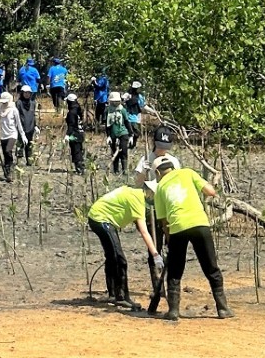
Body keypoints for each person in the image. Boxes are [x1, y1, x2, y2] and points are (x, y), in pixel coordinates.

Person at [153, 155, 234, 320]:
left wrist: (169, 240)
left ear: (158, 172)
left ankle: (174, 310)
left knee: (175, 270)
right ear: (174, 167)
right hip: (199, 224)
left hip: (177, 228)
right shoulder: (188, 173)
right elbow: (211, 192)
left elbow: (163, 221)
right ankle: (223, 308)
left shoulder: (160, 188)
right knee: (211, 266)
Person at [87, 181, 161, 309]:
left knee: (112, 257)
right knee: (120, 259)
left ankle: (112, 295)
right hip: (101, 219)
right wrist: (155, 254)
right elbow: (144, 232)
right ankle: (121, 297)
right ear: (150, 192)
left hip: (98, 217)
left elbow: (139, 226)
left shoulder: (133, 192)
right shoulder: (138, 201)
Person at [134, 125, 181, 302]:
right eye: (160, 145)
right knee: (154, 246)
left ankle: (172, 282)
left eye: (166, 146)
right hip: (151, 209)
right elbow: (138, 185)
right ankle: (157, 284)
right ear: (155, 143)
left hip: (169, 208)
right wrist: (144, 172)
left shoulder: (174, 162)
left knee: (173, 246)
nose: (163, 150)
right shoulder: (145, 159)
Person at [0, 92, 26, 182]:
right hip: (3, 135)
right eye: (3, 102)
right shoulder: (0, 109)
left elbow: (19, 124)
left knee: (8, 151)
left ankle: (10, 171)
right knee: (5, 154)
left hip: (12, 134)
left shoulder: (14, 110)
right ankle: (7, 173)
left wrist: (23, 135)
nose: (4, 104)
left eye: (6, 102)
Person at [105, 92, 130, 174]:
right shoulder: (108, 111)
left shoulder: (122, 110)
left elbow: (127, 122)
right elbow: (107, 124)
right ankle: (116, 170)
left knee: (123, 151)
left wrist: (131, 134)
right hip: (113, 134)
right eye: (113, 101)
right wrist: (108, 136)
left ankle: (125, 170)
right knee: (114, 151)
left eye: (117, 101)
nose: (115, 103)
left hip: (123, 132)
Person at [15, 84, 39, 165]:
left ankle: (29, 162)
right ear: (22, 93)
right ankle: (19, 162)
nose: (27, 94)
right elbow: (16, 116)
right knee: (20, 144)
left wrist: (35, 126)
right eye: (25, 93)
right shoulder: (18, 103)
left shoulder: (33, 103)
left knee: (29, 145)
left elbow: (33, 115)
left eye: (28, 93)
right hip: (21, 127)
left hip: (30, 127)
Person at [64, 92, 85, 175]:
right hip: (80, 133)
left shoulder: (71, 113)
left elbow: (71, 125)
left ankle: (80, 168)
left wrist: (67, 135)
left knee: (76, 151)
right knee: (79, 150)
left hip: (74, 134)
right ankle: (80, 166)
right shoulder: (78, 110)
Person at [123, 80, 146, 148]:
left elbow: (143, 106)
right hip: (129, 117)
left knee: (135, 133)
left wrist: (153, 111)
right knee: (131, 133)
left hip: (135, 117)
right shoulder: (127, 95)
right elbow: (122, 101)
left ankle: (131, 146)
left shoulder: (140, 97)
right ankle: (129, 145)